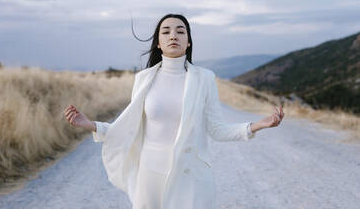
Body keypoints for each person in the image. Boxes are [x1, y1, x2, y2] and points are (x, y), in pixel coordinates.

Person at [64, 13, 284, 209]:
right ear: (158, 43)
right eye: (166, 31)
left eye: (180, 31)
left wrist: (259, 125)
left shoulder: (204, 78)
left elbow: (217, 130)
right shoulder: (144, 79)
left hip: (192, 176)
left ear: (188, 42)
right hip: (150, 174)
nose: (173, 36)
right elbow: (128, 128)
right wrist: (91, 125)